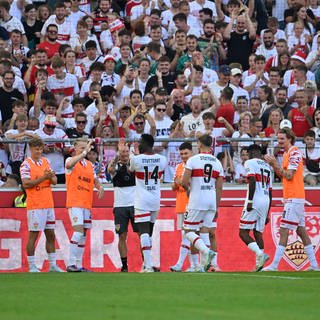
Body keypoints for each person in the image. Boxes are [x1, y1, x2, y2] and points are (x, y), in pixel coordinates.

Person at [263, 128, 319, 271]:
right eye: (278, 139)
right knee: (301, 231)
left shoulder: (294, 153)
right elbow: (284, 176)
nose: (279, 142)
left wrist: (274, 164)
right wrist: (275, 165)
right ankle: (314, 265)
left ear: (290, 139)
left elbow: (289, 175)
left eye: (282, 139)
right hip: (293, 197)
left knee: (283, 230)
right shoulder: (288, 153)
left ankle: (274, 265)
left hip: (294, 198)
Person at [20, 137, 63, 273]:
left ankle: (52, 265)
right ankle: (32, 265)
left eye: (40, 149)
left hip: (48, 203)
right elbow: (26, 184)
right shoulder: (26, 165)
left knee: (50, 234)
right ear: (30, 150)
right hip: (35, 204)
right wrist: (44, 178)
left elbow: (55, 181)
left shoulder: (45, 161)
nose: (38, 151)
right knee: (34, 235)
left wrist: (50, 176)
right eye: (36, 149)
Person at [182, 134, 224, 272]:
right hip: (211, 200)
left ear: (199, 144)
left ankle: (206, 252)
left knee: (188, 231)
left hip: (197, 199)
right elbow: (219, 187)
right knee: (205, 231)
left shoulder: (193, 160)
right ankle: (206, 265)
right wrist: (216, 206)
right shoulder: (217, 162)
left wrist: (188, 190)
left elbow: (184, 182)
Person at [129, 134, 167, 272]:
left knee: (143, 232)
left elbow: (130, 170)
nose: (138, 144)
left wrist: (134, 154)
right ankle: (146, 264)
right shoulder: (162, 159)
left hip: (142, 199)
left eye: (140, 142)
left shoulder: (136, 159)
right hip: (155, 199)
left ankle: (148, 265)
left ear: (145, 143)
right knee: (149, 233)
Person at [65, 138, 104, 272]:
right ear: (75, 148)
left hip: (86, 203)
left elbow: (93, 178)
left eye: (85, 148)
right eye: (81, 148)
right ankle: (70, 263)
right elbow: (69, 165)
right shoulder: (70, 161)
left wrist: (99, 186)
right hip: (75, 202)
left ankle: (79, 264)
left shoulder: (88, 164)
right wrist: (82, 154)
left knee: (84, 234)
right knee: (78, 231)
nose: (84, 150)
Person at [239, 144, 272, 272]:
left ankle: (260, 254)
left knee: (243, 232)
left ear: (252, 152)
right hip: (265, 200)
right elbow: (270, 191)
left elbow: (252, 180)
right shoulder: (267, 166)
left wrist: (250, 201)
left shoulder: (250, 162)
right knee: (258, 233)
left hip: (255, 200)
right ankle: (259, 266)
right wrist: (268, 212)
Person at [108, 140, 137, 272]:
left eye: (126, 151)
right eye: (122, 152)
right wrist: (116, 156)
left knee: (141, 234)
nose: (124, 154)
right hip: (120, 205)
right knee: (122, 236)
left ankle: (146, 263)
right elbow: (110, 170)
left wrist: (134, 155)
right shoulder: (116, 166)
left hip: (136, 204)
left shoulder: (134, 164)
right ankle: (124, 265)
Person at [170, 142, 195, 272]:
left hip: (191, 204)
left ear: (192, 152)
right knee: (185, 235)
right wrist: (176, 183)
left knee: (188, 235)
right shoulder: (179, 167)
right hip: (181, 204)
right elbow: (173, 187)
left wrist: (184, 182)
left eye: (186, 153)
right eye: (181, 154)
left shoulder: (195, 166)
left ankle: (181, 264)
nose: (184, 156)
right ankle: (192, 265)